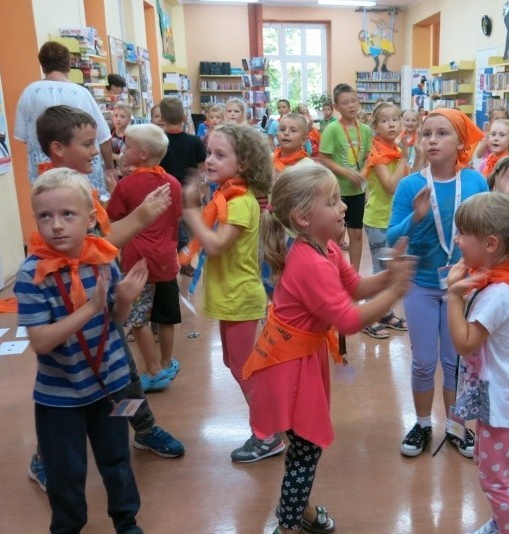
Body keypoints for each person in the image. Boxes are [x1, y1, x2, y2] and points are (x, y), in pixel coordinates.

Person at [246, 164, 415, 534]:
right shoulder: (309, 262)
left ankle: (298, 510)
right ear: (303, 218)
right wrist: (396, 291)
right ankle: (288, 524)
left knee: (304, 445)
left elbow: (354, 287)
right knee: (306, 448)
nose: (343, 208)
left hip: (299, 359)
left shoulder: (326, 249)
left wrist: (390, 274)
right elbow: (349, 320)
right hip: (287, 365)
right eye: (333, 201)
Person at [24, 105, 185, 495]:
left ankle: (143, 428)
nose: (98, 149)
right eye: (87, 143)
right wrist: (143, 216)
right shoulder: (57, 194)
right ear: (58, 149)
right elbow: (96, 244)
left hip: (100, 299)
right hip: (73, 303)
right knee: (72, 386)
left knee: (122, 374)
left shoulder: (79, 185)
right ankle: (45, 458)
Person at [15, 168, 149, 533]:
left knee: (117, 460)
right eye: (45, 216)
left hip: (111, 384)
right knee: (65, 474)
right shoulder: (33, 274)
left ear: (90, 218)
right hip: (60, 397)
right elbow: (41, 341)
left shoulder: (103, 258)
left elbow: (115, 321)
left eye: (67, 215)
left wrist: (122, 299)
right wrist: (88, 309)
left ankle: (127, 522)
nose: (56, 225)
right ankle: (67, 527)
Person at [387, 108, 489, 458]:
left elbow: (490, 230)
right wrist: (414, 217)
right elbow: (391, 237)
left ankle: (457, 425)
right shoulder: (411, 185)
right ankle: (422, 423)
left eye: (442, 133)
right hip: (422, 284)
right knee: (423, 361)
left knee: (454, 361)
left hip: (462, 286)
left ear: (461, 141)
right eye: (426, 133)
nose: (431, 139)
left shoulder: (475, 182)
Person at [181, 122, 284, 462]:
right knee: (233, 362)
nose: (209, 160)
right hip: (230, 297)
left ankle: (268, 434)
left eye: (219, 155)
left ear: (243, 165)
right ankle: (268, 426)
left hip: (241, 298)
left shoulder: (239, 202)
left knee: (244, 368)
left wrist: (189, 210)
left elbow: (215, 243)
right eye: (209, 152)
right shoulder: (225, 196)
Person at [446, 192, 509, 534]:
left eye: (462, 234)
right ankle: (502, 522)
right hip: (498, 395)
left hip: (503, 400)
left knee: (494, 479)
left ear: (490, 243)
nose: (457, 239)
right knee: (488, 467)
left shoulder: (498, 293)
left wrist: (453, 298)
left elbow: (465, 343)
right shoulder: (494, 281)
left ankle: (508, 529)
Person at [107, 124, 183, 392]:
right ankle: (165, 362)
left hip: (137, 262)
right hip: (166, 260)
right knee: (165, 316)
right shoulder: (172, 183)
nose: (122, 150)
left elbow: (113, 221)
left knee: (137, 319)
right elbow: (177, 218)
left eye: (126, 146)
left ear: (142, 153)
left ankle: (152, 370)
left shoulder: (126, 186)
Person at [14, 41, 116, 196]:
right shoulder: (81, 93)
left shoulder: (29, 93)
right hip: (82, 173)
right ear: (69, 65)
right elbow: (103, 137)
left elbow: (22, 136)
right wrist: (110, 168)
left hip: (45, 174)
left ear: (42, 65)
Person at [361, 101, 409, 339]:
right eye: (384, 120)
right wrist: (404, 160)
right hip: (378, 220)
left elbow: (406, 183)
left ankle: (384, 312)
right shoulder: (377, 154)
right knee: (381, 270)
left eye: (395, 119)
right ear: (375, 126)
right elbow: (391, 186)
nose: (391, 123)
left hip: (395, 219)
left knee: (391, 269)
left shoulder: (396, 150)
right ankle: (369, 317)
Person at [319, 83, 373, 273]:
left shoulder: (365, 130)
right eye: (345, 102)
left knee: (356, 233)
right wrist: (346, 173)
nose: (351, 106)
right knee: (335, 234)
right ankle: (333, 272)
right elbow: (323, 158)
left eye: (354, 101)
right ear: (336, 107)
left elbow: (368, 156)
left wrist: (363, 174)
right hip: (337, 191)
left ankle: (354, 274)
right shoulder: (332, 130)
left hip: (357, 191)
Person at [158, 96, 207, 276]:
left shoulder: (159, 141)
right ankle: (186, 262)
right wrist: (202, 192)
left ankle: (168, 264)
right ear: (185, 118)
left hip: (165, 192)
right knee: (190, 228)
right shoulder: (194, 141)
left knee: (168, 229)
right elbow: (202, 169)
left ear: (162, 118)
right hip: (188, 192)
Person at [273, 112, 314, 180]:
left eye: (293, 130)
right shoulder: (270, 160)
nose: (286, 133)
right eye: (282, 129)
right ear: (277, 136)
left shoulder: (308, 166)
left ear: (304, 140)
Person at [110, 103, 132, 170]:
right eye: (116, 116)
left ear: (129, 120)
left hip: (126, 170)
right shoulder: (109, 133)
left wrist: (111, 156)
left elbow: (129, 157)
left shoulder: (130, 135)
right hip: (112, 169)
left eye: (122, 116)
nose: (118, 119)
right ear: (112, 118)